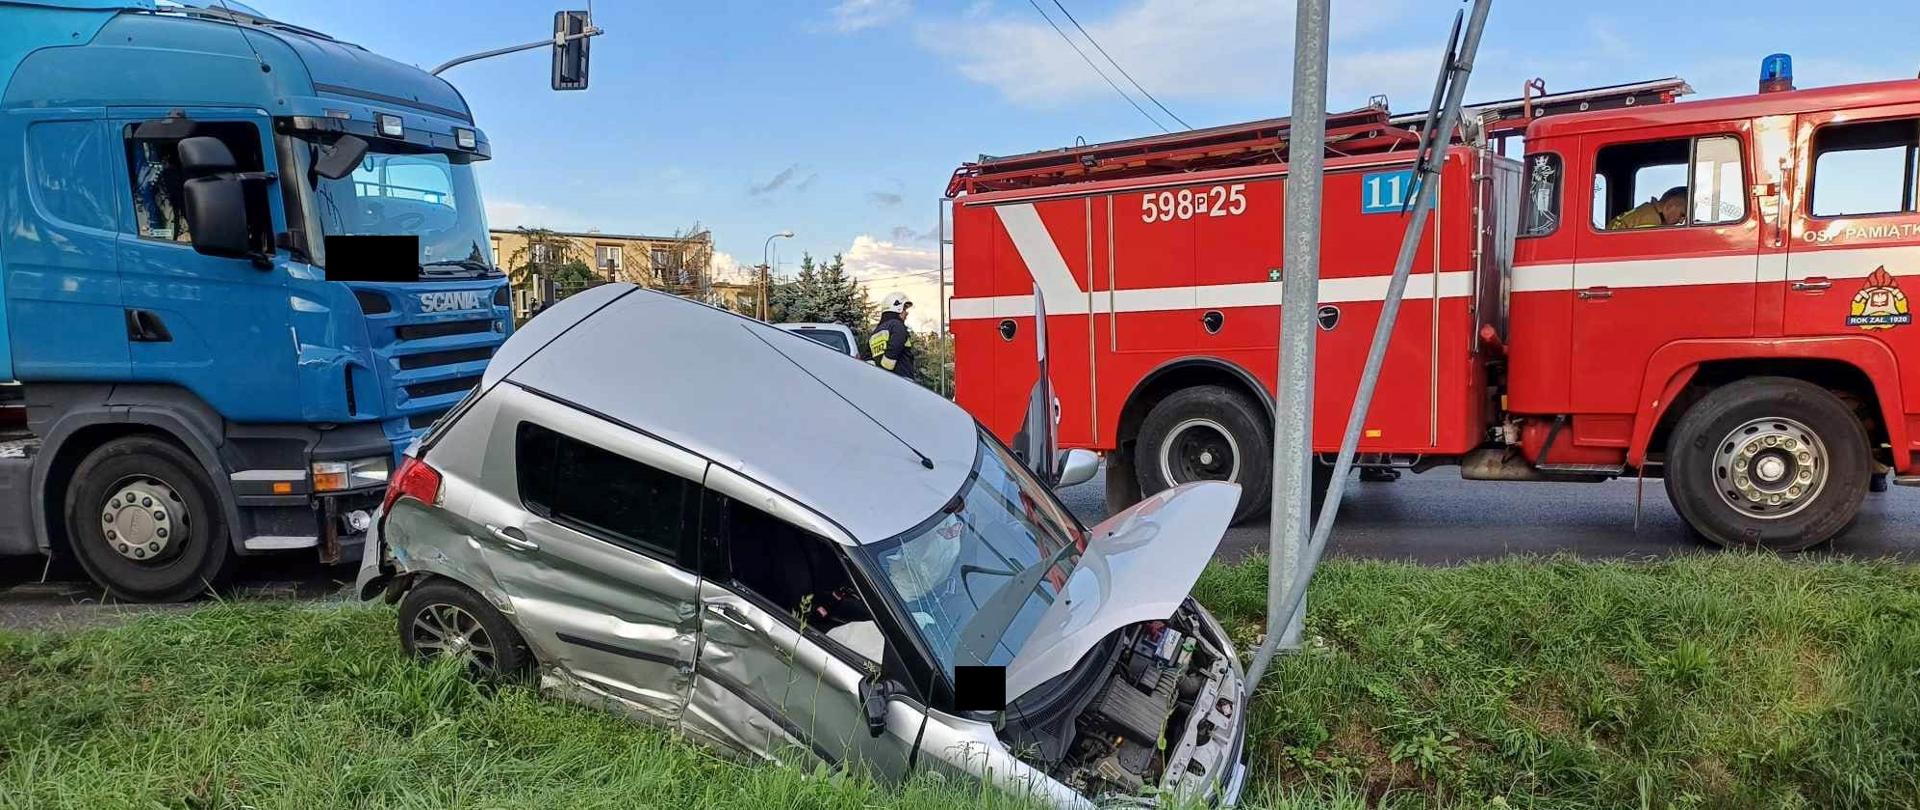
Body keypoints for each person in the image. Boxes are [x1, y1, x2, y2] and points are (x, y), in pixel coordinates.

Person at [869, 292, 916, 378]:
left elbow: (867, 358)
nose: (906, 313)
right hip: (902, 380)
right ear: (897, 308)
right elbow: (896, 344)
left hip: (882, 382)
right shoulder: (897, 325)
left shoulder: (875, 332)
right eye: (904, 309)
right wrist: (887, 366)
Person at [1608, 186, 1688, 230]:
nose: (1681, 221)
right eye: (1682, 215)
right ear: (1670, 205)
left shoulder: (1647, 211)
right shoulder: (1649, 222)